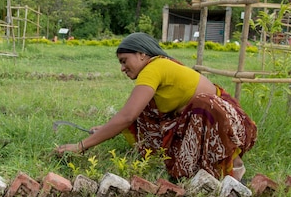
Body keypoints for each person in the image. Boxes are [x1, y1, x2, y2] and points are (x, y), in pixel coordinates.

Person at [55, 32, 257, 181]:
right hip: (203, 119)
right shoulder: (158, 66)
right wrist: (106, 128)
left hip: (224, 121)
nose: (122, 68)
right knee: (146, 111)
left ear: (142, 54)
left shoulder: (153, 68)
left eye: (125, 61)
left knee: (202, 105)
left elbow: (127, 116)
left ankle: (232, 163)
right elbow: (133, 113)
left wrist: (81, 146)